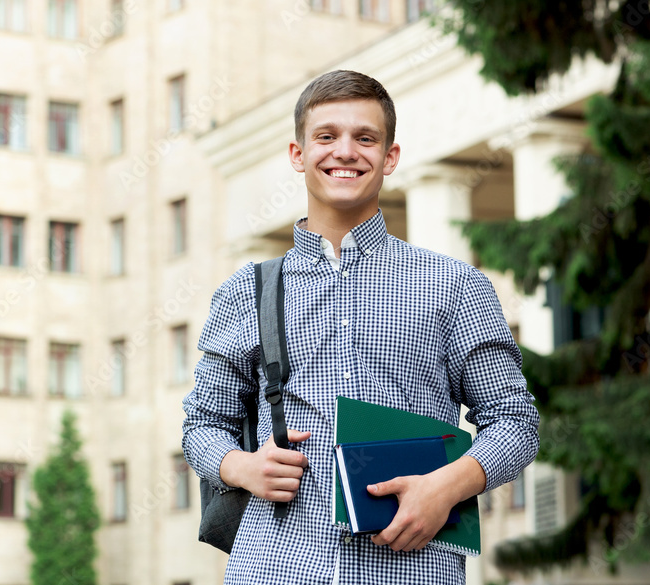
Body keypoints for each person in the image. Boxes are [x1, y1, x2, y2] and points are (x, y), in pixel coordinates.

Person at [181, 69, 539, 584]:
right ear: (297, 154)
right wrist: (240, 466)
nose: (345, 151)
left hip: (414, 567)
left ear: (390, 157)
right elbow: (202, 425)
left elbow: (515, 421)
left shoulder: (455, 284)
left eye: (364, 138)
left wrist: (445, 488)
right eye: (326, 136)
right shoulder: (245, 291)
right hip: (273, 564)